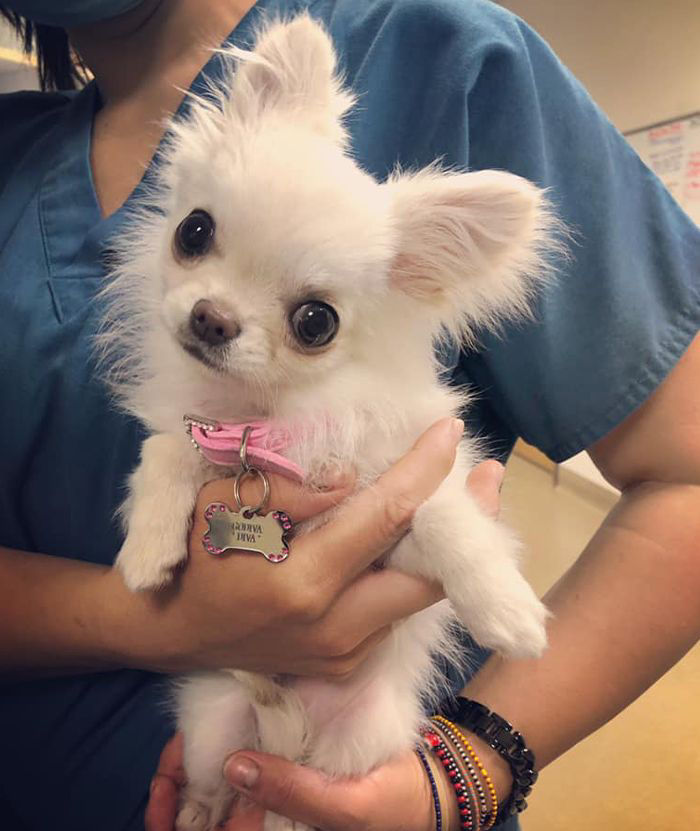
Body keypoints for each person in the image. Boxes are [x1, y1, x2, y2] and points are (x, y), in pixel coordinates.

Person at [0, 1, 698, 830]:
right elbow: (174, 450)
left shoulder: (448, 55)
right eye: (194, 237)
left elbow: (681, 475)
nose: (216, 318)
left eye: (311, 321)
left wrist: (462, 773)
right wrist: (164, 624)